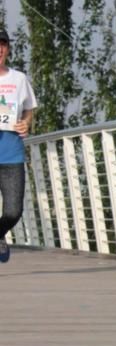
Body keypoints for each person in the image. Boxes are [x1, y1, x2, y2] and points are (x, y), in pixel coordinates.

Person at [0, 28, 37, 263]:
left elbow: (29, 108)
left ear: (7, 49)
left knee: (14, 211)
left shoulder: (19, 79)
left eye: (2, 44)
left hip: (11, 154)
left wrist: (25, 123)